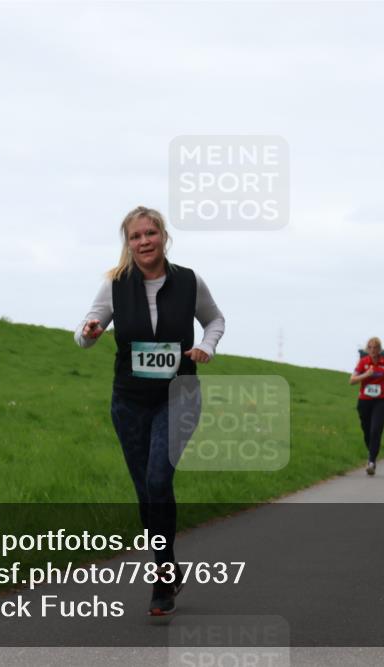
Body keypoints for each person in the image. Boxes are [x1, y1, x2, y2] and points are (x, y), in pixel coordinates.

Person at [75, 206, 225, 616]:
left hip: (179, 396)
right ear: (128, 243)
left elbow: (214, 320)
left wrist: (206, 346)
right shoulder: (115, 284)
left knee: (159, 479)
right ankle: (167, 565)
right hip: (129, 401)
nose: (144, 242)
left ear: (163, 236)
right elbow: (85, 332)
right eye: (136, 236)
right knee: (146, 490)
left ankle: (161, 579)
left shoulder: (189, 281)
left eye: (150, 233)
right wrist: (89, 331)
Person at [350, 337, 384, 476]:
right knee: (367, 430)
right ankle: (372, 452)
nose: (373, 350)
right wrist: (366, 375)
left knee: (376, 430)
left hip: (380, 401)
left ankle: (371, 462)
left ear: (379, 349)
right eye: (370, 347)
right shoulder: (363, 362)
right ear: (367, 349)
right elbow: (352, 380)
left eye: (375, 347)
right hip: (364, 401)